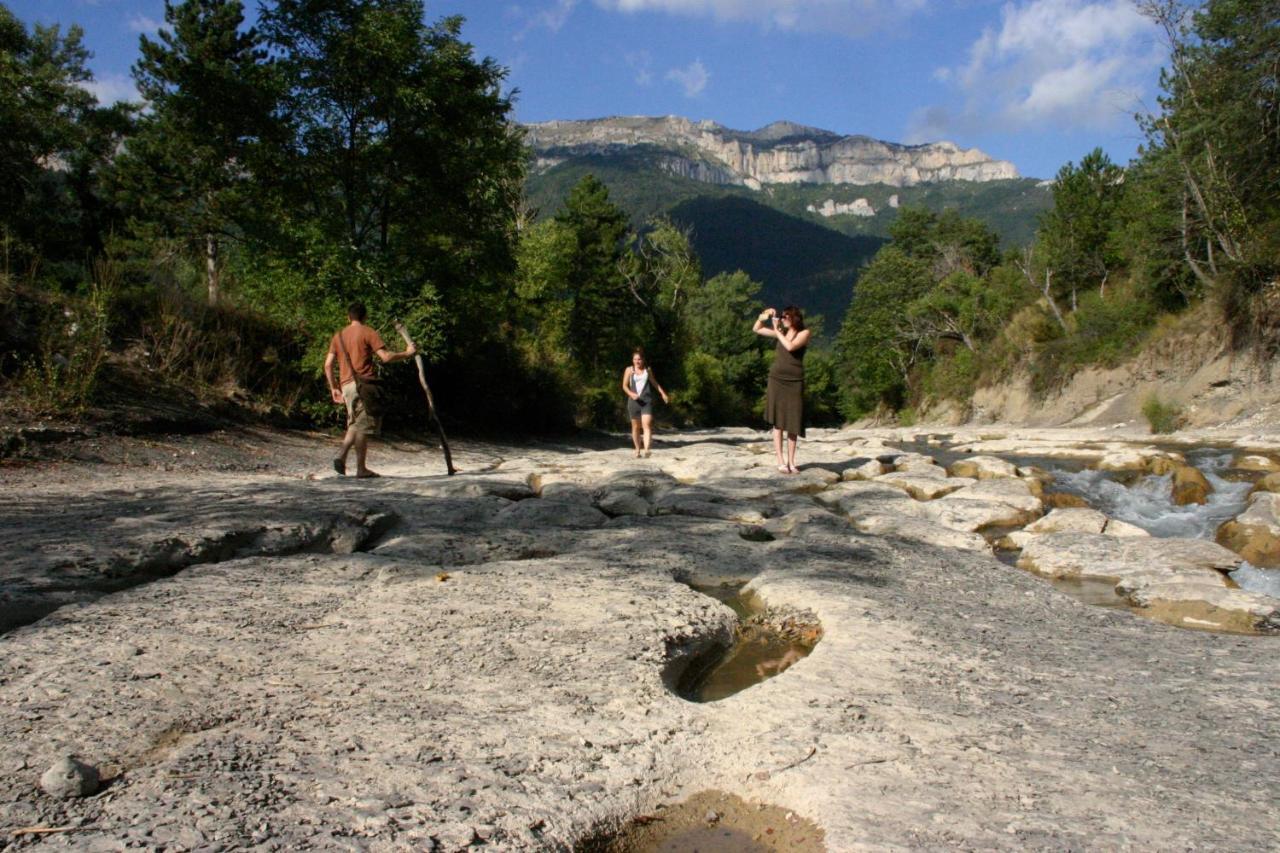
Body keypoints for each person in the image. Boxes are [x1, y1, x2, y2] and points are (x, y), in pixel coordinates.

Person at [323, 302, 416, 478]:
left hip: (346, 386)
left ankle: (344, 459)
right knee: (362, 427)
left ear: (348, 316)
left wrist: (334, 388)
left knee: (355, 424)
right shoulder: (368, 332)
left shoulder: (338, 336)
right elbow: (386, 357)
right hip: (364, 385)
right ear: (365, 316)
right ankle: (356, 466)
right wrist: (407, 353)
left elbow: (328, 365)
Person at [753, 305, 810, 474]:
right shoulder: (781, 332)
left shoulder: (804, 333)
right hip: (777, 379)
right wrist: (764, 315)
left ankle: (792, 462)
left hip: (795, 380)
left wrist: (777, 331)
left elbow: (791, 347)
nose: (782, 319)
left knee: (793, 421)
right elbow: (756, 329)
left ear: (794, 318)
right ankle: (781, 461)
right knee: (778, 422)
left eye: (786, 317)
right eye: (782, 317)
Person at [621, 347, 669, 458]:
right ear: (632, 360)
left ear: (643, 360)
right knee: (635, 427)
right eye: (635, 359)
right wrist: (631, 394)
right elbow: (624, 386)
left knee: (646, 425)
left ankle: (647, 449)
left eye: (639, 359)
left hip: (646, 401)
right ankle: (637, 449)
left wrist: (663, 393)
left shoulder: (648, 370)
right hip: (633, 402)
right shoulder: (629, 370)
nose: (637, 361)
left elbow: (654, 383)